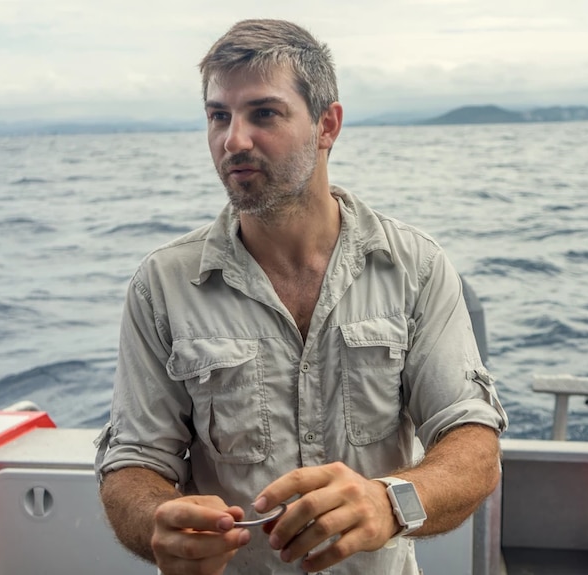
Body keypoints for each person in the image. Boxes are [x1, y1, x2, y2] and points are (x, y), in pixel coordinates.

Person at [95, 18, 508, 575]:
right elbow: (133, 464)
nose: (233, 140)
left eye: (263, 113)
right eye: (219, 116)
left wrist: (388, 503)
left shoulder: (416, 267)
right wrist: (156, 523)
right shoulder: (162, 285)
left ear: (326, 125)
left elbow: (472, 444)